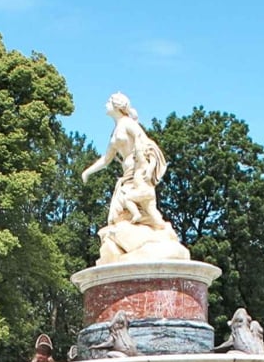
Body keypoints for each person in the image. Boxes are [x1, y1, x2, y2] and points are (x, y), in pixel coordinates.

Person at [80, 93, 190, 264]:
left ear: (117, 105)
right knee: (121, 213)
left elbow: (144, 142)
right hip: (127, 175)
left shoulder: (128, 124)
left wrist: (146, 165)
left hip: (138, 170)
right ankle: (150, 227)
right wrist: (87, 171)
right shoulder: (115, 131)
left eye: (109, 101)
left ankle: (156, 229)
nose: (105, 104)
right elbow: (107, 159)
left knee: (136, 204)